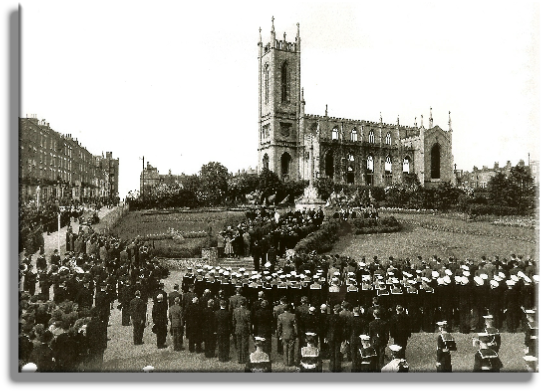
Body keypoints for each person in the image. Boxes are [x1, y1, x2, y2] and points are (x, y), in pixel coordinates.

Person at [368, 307, 389, 372]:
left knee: (374, 356)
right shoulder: (384, 323)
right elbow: (386, 334)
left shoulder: (371, 324)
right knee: (381, 356)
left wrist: (370, 342)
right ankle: (381, 369)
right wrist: (386, 342)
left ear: (373, 315)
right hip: (382, 341)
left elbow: (370, 334)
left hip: (374, 341)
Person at [326, 304, 345, 373]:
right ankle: (337, 368)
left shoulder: (329, 318)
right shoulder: (341, 318)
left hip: (330, 336)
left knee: (331, 352)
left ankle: (332, 367)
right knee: (337, 352)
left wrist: (326, 336)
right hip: (338, 337)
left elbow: (326, 328)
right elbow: (343, 329)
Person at [232, 297, 251, 364]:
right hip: (244, 328)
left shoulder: (235, 311)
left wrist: (235, 327)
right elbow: (249, 322)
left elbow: (233, 321)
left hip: (237, 328)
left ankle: (239, 359)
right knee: (244, 344)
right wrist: (250, 331)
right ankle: (244, 359)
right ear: (245, 304)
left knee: (239, 344)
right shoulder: (247, 312)